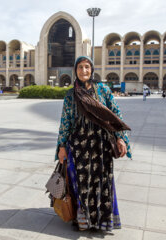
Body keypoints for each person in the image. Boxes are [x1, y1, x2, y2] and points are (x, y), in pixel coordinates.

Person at [56, 56, 131, 232]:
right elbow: (65, 121)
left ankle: (102, 221)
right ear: (75, 70)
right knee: (81, 183)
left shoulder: (103, 90)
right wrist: (61, 147)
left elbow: (115, 115)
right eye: (80, 67)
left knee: (102, 183)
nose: (84, 71)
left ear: (92, 69)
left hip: (101, 145)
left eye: (87, 67)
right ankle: (83, 219)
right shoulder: (71, 94)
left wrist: (121, 138)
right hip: (79, 145)